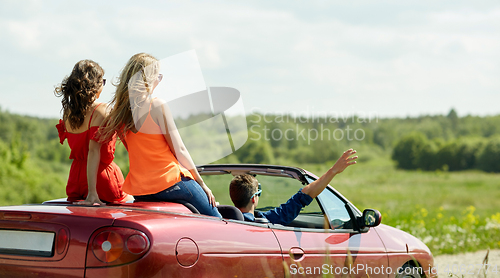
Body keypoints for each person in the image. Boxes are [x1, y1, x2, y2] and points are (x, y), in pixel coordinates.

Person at [98, 53, 221, 218]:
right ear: (148, 79)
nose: (159, 80)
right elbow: (180, 150)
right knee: (217, 220)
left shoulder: (120, 115)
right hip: (171, 184)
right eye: (158, 76)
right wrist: (202, 183)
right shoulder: (156, 106)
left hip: (141, 192)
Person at [55, 60, 130, 205]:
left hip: (75, 180)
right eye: (103, 81)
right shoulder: (101, 110)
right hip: (100, 181)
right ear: (95, 84)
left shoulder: (68, 113)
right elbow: (93, 152)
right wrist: (92, 193)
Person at [229, 149, 357, 225]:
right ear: (253, 199)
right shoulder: (266, 220)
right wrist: (333, 171)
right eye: (259, 193)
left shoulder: (219, 219)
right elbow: (306, 194)